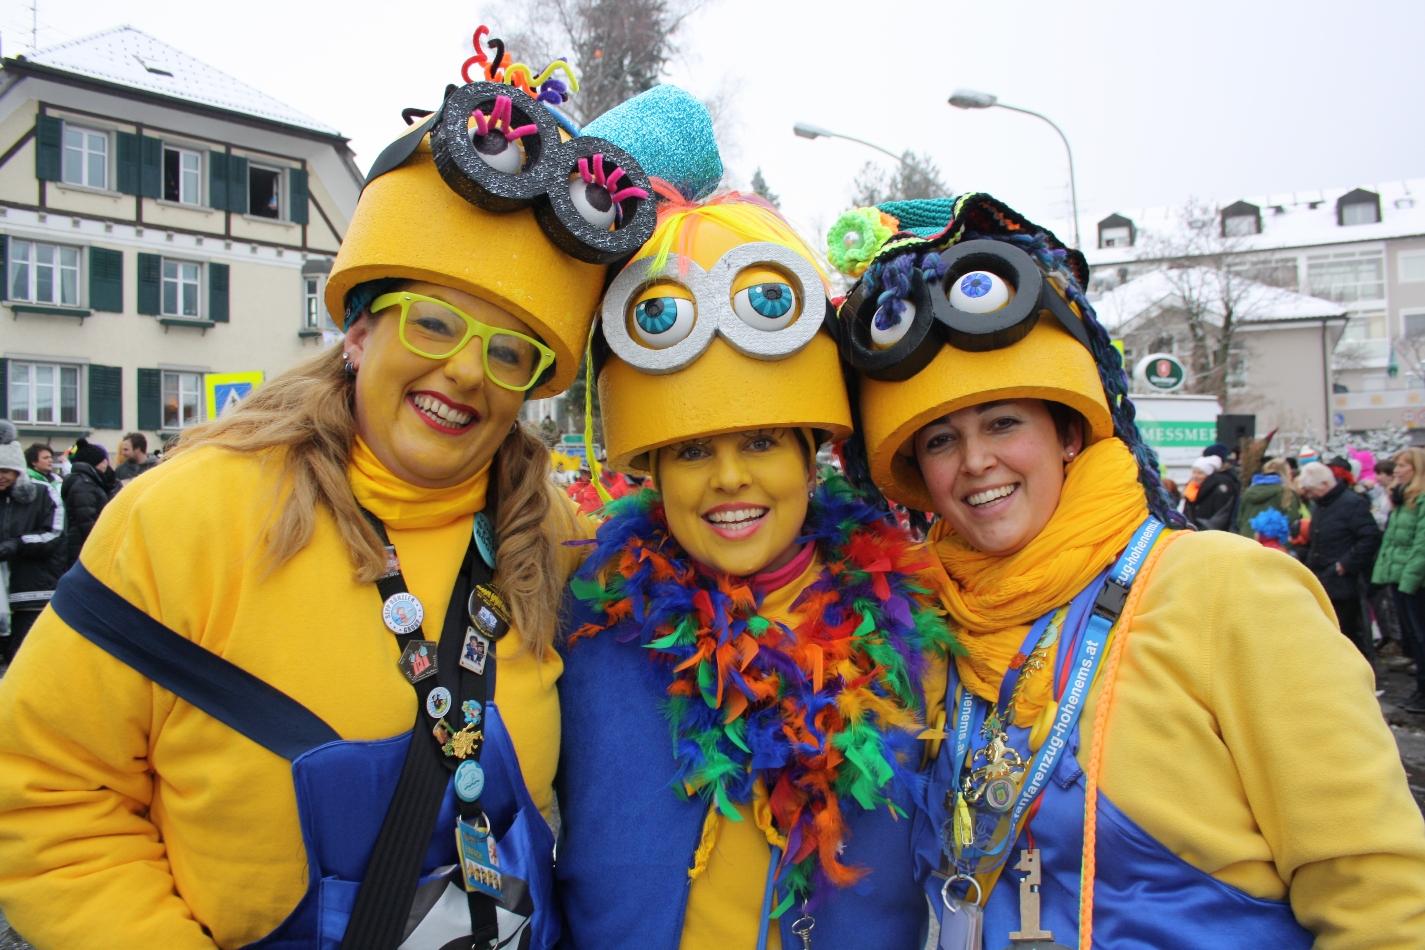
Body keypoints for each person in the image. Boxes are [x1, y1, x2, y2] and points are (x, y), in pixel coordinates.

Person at [0, 36, 673, 948]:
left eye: (509, 351)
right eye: (431, 323)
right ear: (358, 331)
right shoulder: (190, 514)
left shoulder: (549, 537)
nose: (464, 371)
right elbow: (45, 796)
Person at [831, 192, 1425, 947]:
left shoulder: (1226, 590)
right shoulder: (924, 624)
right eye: (941, 440)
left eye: (1004, 423)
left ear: (1068, 433)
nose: (976, 461)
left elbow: (1377, 894)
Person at [556, 139, 954, 948]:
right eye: (692, 451)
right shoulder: (585, 621)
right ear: (652, 472)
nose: (730, 479)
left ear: (811, 459)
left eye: (763, 442)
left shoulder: (916, 629)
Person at [1300, 461, 1381, 660]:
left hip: (1345, 581)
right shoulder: (1321, 505)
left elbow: (1370, 537)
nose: (1309, 495)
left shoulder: (1352, 504)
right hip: (1326, 575)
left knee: (1350, 633)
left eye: (1311, 490)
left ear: (1324, 484)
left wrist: (1345, 564)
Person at [0, 428, 64, 663]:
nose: (0, 476)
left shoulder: (43, 493)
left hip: (31, 591)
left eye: (5, 470)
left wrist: (16, 545)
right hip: (3, 594)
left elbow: (55, 534)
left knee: (26, 659)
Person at [1372, 447, 1425, 713]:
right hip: (1400, 576)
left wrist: (1408, 579)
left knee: (1421, 636)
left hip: (1414, 580)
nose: (1397, 471)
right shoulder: (1402, 499)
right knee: (1413, 637)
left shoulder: (1420, 500)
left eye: (1403, 465)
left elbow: (1421, 545)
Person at [60, 438, 114, 569]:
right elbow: (86, 519)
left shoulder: (87, 481)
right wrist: (101, 545)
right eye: (103, 460)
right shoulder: (85, 484)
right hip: (84, 547)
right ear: (95, 462)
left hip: (81, 545)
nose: (106, 463)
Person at [1236, 457, 1299, 538]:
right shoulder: (1287, 492)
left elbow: (1239, 519)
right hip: (1274, 541)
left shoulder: (1249, 491)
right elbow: (1292, 518)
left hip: (1247, 538)